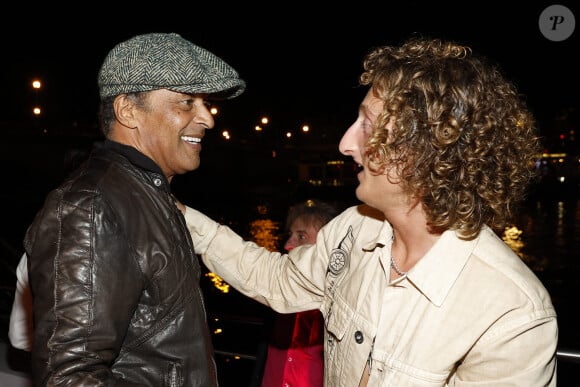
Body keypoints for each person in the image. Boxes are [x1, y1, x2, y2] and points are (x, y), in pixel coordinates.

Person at [179, 36, 558, 385]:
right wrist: (181, 215)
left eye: (367, 125)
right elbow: (277, 279)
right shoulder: (355, 229)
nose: (345, 143)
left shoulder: (512, 315)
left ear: (423, 149)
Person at [23, 32, 245, 386]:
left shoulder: (146, 194)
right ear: (128, 110)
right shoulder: (92, 208)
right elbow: (68, 378)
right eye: (187, 102)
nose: (208, 118)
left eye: (205, 103)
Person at [258, 199, 337, 387]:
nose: (287, 245)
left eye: (301, 237)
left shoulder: (340, 300)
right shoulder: (279, 290)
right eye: (290, 235)